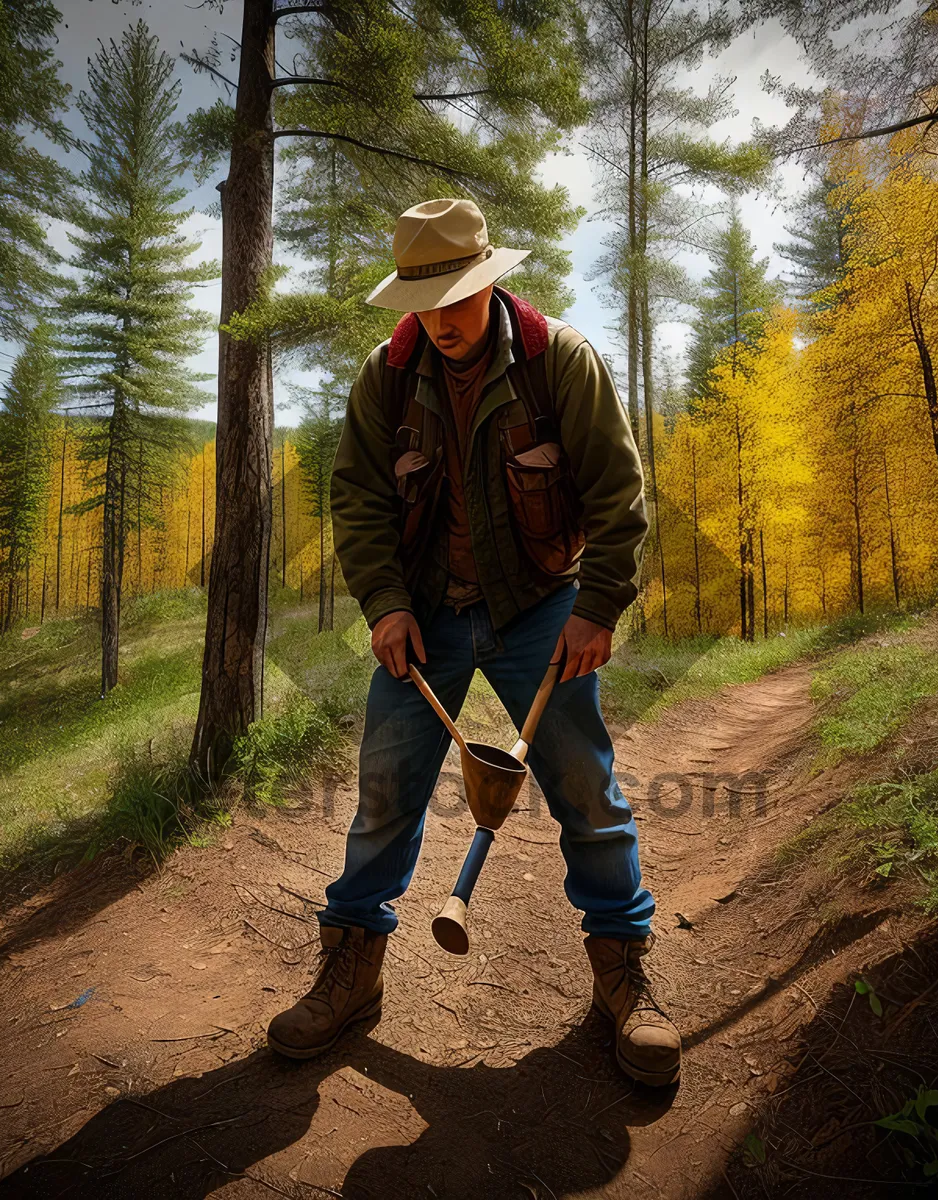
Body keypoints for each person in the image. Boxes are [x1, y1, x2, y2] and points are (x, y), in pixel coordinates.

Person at [266, 198, 680, 1087]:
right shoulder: (384, 379)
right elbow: (360, 503)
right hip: (428, 616)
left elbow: (619, 496)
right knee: (383, 790)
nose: (443, 319)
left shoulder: (560, 362)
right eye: (425, 300)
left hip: (542, 609)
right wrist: (383, 605)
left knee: (585, 787)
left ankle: (622, 974)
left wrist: (598, 606)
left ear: (489, 280)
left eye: (457, 296)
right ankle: (352, 966)